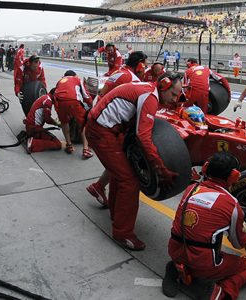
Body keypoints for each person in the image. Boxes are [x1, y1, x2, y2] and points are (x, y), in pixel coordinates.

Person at [85, 72, 182, 250]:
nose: (175, 100)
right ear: (164, 86)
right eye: (174, 95)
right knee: (129, 181)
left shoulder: (148, 89)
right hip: (101, 132)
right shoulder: (150, 97)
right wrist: (159, 167)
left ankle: (116, 215)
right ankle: (123, 234)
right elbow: (143, 137)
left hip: (105, 128)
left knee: (120, 173)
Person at [165, 152, 246, 300]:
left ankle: (177, 268)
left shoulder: (191, 189)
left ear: (206, 168)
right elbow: (238, 243)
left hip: (175, 251)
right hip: (203, 264)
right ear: (234, 176)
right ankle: (220, 292)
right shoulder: (231, 204)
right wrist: (242, 227)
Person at [86, 51, 147, 207]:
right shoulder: (132, 79)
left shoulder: (118, 71)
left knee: (117, 161)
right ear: (139, 64)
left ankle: (99, 186)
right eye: (145, 64)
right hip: (109, 124)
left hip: (100, 114)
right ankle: (103, 189)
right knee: (123, 164)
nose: (146, 68)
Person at [54, 70, 93, 159]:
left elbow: (55, 96)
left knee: (64, 122)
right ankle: (86, 149)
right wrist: (90, 105)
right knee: (84, 123)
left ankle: (69, 145)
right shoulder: (77, 79)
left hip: (60, 102)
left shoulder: (60, 81)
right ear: (74, 75)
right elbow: (86, 96)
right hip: (73, 101)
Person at [23, 88, 62, 153]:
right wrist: (56, 123)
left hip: (31, 126)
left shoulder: (44, 97)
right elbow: (47, 119)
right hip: (34, 128)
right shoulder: (48, 102)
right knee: (57, 144)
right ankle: (33, 143)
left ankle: (31, 137)